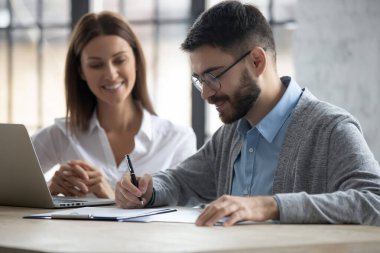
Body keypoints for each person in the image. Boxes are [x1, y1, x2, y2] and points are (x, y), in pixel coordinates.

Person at [115, 1, 380, 226]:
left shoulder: (331, 129)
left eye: (213, 76)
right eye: (199, 79)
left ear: (257, 61)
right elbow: (180, 181)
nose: (206, 94)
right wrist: (147, 189)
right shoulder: (230, 136)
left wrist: (270, 206)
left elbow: (374, 201)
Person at [32, 11, 196, 200]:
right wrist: (49, 189)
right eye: (96, 65)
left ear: (136, 60)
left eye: (119, 60)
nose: (110, 74)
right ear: (81, 72)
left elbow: (183, 218)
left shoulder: (176, 140)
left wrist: (109, 197)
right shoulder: (61, 135)